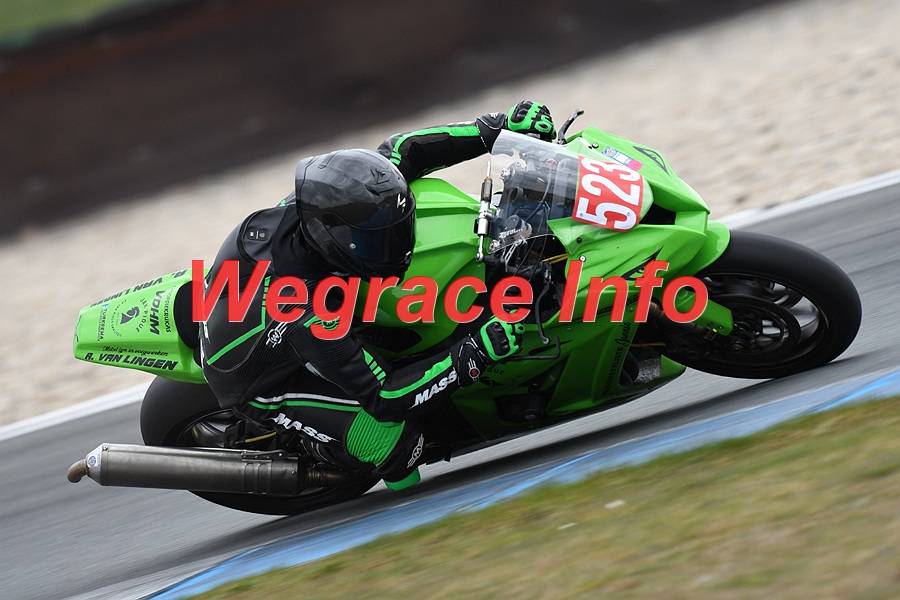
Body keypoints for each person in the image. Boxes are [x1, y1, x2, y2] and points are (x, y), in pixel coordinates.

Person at [199, 101, 557, 490]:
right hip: (259, 380)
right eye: (376, 242)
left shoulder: (323, 204)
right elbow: (386, 396)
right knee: (401, 448)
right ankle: (319, 449)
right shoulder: (306, 313)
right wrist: (474, 352)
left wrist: (495, 130)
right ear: (335, 245)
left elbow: (404, 150)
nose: (396, 246)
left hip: (252, 298)